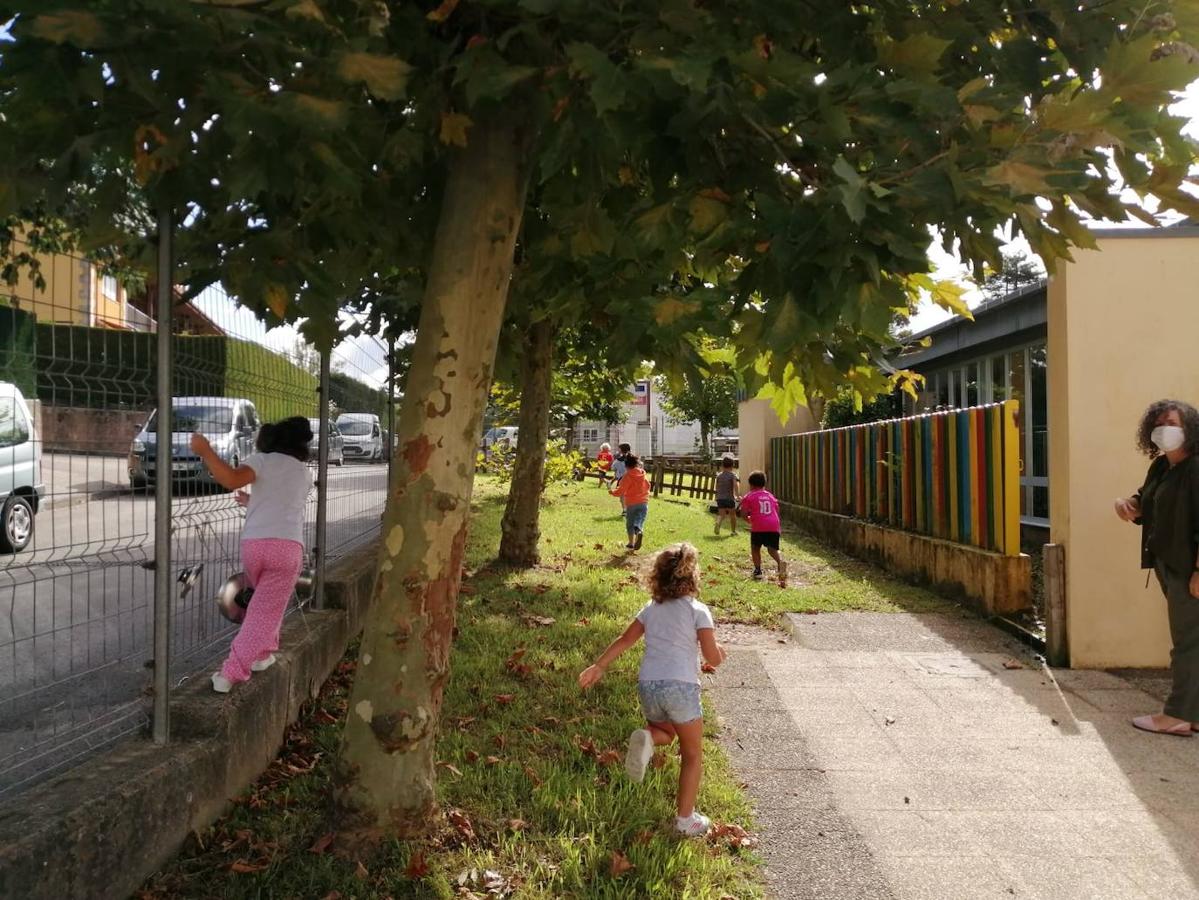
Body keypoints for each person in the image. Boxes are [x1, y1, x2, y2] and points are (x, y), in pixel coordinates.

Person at [578, 542, 725, 837]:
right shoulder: (698, 611)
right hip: (681, 687)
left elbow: (624, 639)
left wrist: (599, 666)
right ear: (692, 577)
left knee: (665, 733)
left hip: (649, 685)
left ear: (657, 576)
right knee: (692, 753)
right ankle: (686, 821)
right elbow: (712, 658)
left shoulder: (651, 609)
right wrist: (720, 652)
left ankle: (647, 737)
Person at [191, 416, 313, 693]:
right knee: (265, 610)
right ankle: (230, 674)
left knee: (263, 607)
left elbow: (231, 480)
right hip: (287, 549)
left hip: (255, 547)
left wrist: (205, 452)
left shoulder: (261, 461)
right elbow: (283, 505)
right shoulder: (304, 473)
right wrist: (207, 450)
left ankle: (262, 655)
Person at [1114, 399, 1199, 736]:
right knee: (1192, 639)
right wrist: (1130, 505)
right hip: (1167, 564)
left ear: (1190, 428)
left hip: (1186, 568)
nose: (1165, 428)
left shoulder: (1195, 469)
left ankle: (1175, 715)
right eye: (1159, 422)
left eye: (1173, 422)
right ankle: (1192, 713)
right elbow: (1146, 499)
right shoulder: (1162, 467)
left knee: (1188, 642)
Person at [739, 470, 787, 583]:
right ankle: (781, 562)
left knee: (755, 548)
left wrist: (750, 520)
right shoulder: (770, 496)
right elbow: (776, 509)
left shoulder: (749, 496)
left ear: (750, 484)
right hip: (773, 525)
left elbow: (743, 514)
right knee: (772, 549)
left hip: (759, 526)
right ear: (764, 484)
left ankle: (758, 571)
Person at [611, 453, 649, 550]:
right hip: (643, 503)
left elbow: (621, 490)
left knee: (630, 523)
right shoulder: (642, 474)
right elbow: (648, 485)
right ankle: (638, 531)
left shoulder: (627, 476)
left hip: (631, 503)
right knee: (639, 520)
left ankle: (631, 543)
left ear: (626, 466)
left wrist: (613, 492)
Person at [713, 456, 740, 535]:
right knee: (732, 515)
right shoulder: (732, 475)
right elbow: (735, 485)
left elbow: (717, 487)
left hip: (720, 498)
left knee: (722, 515)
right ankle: (733, 531)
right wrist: (737, 496)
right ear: (732, 466)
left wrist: (717, 495)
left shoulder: (719, 475)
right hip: (729, 498)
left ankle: (718, 522)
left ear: (722, 465)